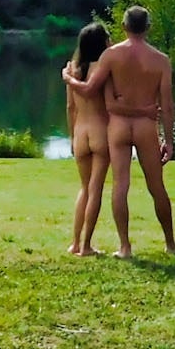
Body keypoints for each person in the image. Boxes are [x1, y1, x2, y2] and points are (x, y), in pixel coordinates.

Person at [62, 5, 175, 257]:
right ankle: (170, 243)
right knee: (156, 185)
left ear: (124, 27)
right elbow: (167, 106)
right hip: (146, 125)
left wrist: (68, 79)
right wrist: (168, 141)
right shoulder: (161, 60)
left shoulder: (111, 56)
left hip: (117, 126)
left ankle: (124, 247)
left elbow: (88, 89)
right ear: (148, 27)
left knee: (120, 185)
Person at [62, 21, 112, 255]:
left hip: (80, 133)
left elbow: (70, 107)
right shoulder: (103, 69)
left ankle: (74, 243)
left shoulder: (71, 68)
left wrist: (72, 137)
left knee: (84, 188)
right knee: (96, 189)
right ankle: (87, 246)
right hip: (101, 133)